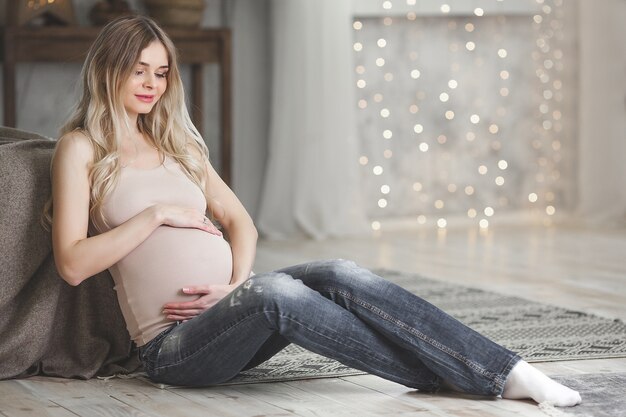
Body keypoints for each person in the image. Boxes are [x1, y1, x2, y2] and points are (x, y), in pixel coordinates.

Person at [47, 15, 581, 407]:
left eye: (161, 73)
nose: (151, 85)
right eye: (139, 70)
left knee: (338, 272)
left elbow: (241, 223)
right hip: (176, 348)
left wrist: (237, 285)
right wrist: (156, 215)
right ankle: (477, 375)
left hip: (235, 309)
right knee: (278, 292)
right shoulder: (82, 149)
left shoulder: (176, 145)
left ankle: (505, 369)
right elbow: (72, 263)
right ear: (109, 70)